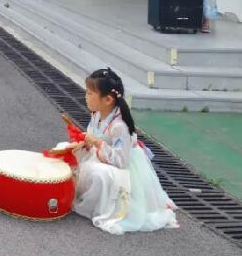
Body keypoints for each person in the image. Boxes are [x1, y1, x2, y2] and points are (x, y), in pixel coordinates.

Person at [71, 68, 178, 235]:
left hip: (122, 165)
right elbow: (93, 135)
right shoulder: (97, 114)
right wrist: (85, 143)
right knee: (72, 157)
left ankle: (108, 206)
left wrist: (97, 143)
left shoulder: (119, 126)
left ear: (108, 99)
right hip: (103, 155)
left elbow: (121, 161)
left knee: (99, 174)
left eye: (90, 93)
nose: (86, 97)